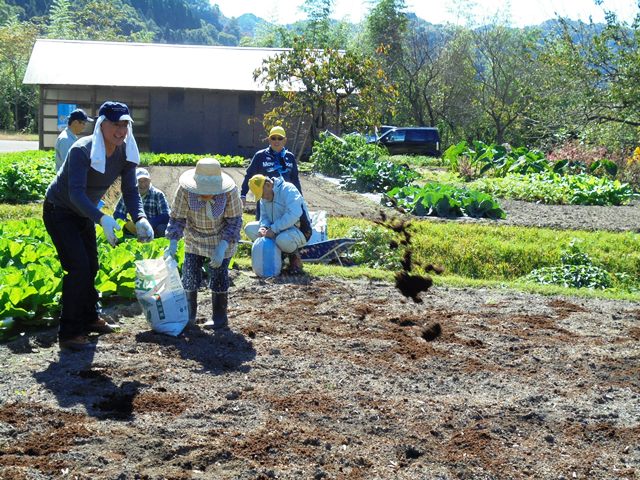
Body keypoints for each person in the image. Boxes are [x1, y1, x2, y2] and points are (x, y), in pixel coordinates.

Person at [43, 101, 154, 351]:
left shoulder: (125, 152)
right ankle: (69, 332)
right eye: (116, 124)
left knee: (92, 265)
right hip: (59, 210)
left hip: (84, 213)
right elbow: (76, 195)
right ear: (102, 125)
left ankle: (90, 318)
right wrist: (102, 218)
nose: (121, 130)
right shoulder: (82, 150)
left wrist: (141, 218)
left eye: (125, 125)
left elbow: (130, 190)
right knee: (78, 267)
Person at [163, 158, 242, 330]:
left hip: (221, 238)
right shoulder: (184, 191)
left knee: (219, 274)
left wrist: (222, 247)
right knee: (189, 274)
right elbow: (177, 217)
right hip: (194, 237)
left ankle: (220, 318)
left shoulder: (230, 192)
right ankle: (189, 316)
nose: (206, 193)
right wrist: (173, 243)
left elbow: (234, 221)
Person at [244, 174, 312, 275]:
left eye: (262, 194)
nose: (263, 197)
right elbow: (265, 216)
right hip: (277, 229)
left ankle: (294, 258)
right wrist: (264, 227)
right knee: (249, 228)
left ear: (268, 185)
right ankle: (277, 257)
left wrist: (274, 229)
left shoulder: (288, 189)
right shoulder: (264, 198)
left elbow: (294, 214)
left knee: (282, 239)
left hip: (299, 230)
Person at [240, 126, 302, 217]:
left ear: (285, 140)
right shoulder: (260, 156)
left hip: (285, 199)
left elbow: (295, 179)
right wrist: (243, 194)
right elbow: (249, 175)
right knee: (263, 226)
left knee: (284, 224)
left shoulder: (290, 157)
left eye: (280, 138)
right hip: (265, 199)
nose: (276, 141)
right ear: (269, 140)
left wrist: (300, 198)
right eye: (273, 138)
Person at [114, 168, 170, 238]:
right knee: (117, 226)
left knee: (162, 228)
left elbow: (165, 216)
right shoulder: (128, 194)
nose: (142, 184)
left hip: (154, 228)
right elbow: (118, 213)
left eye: (145, 180)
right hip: (135, 228)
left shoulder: (158, 194)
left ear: (150, 181)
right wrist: (129, 224)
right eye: (139, 181)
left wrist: (146, 224)